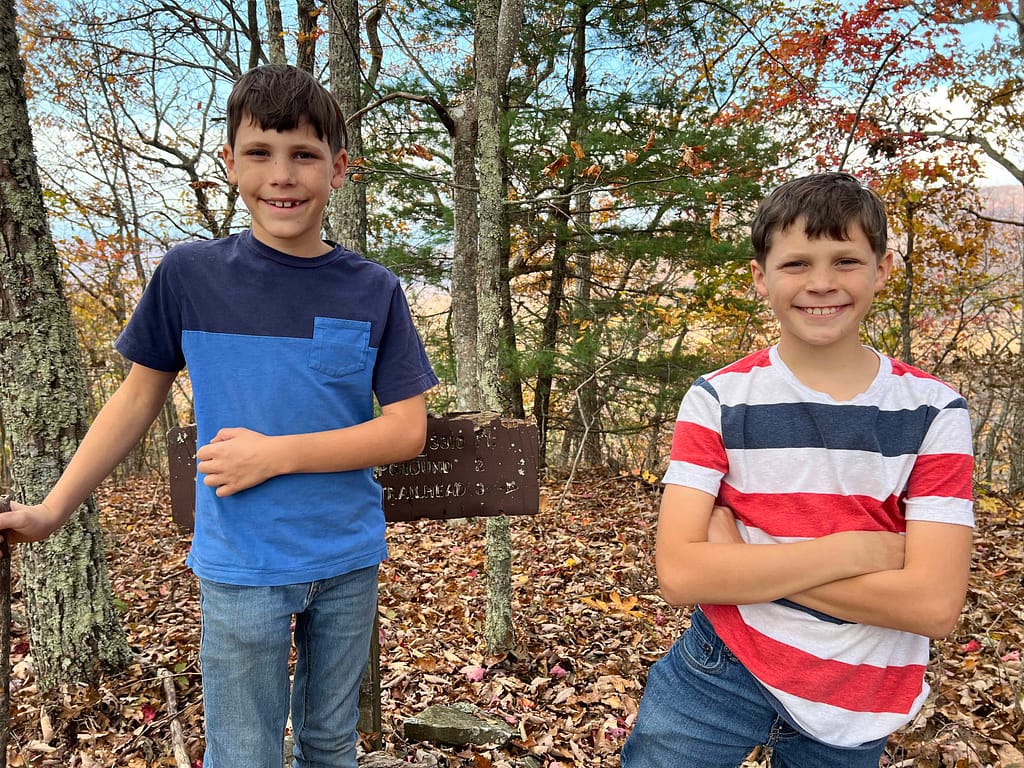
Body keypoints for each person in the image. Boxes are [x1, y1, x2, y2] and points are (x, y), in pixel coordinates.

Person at [0, 64, 438, 768]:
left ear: (339, 169)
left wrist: (275, 455)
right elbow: (135, 399)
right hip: (240, 567)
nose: (283, 175)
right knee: (243, 752)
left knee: (330, 746)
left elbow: (405, 430)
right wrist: (53, 510)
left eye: (304, 155)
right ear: (230, 164)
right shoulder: (190, 275)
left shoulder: (373, 289)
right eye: (260, 154)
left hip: (348, 559)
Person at [620, 172, 974, 767]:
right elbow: (682, 575)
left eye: (845, 260)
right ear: (760, 277)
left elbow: (932, 606)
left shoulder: (934, 412)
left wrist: (741, 561)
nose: (821, 283)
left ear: (882, 269)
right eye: (795, 264)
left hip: (859, 693)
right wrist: (859, 551)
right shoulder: (718, 400)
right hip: (720, 668)